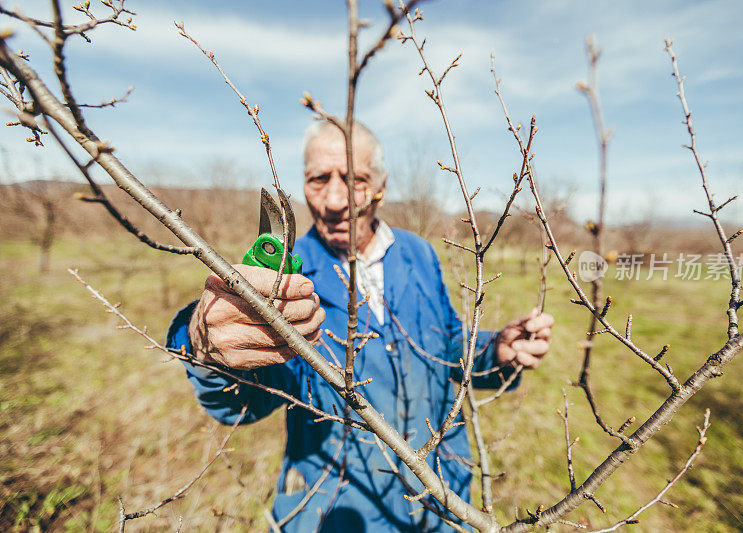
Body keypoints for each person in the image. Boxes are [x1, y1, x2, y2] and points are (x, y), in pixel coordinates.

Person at [166, 121, 554, 532]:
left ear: (382, 184)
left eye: (355, 179)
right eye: (319, 179)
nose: (334, 200)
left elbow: (446, 346)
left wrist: (496, 351)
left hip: (443, 498)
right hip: (337, 508)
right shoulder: (286, 284)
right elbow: (241, 401)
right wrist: (207, 348)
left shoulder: (418, 254)